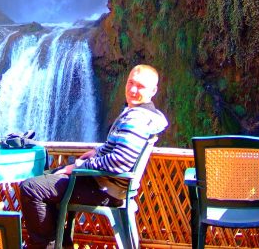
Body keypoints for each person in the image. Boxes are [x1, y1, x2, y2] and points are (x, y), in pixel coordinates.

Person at [20, 64, 168, 249]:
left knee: (31, 188)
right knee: (49, 179)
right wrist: (97, 151)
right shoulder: (145, 115)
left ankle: (45, 247)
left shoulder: (136, 119)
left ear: (153, 91)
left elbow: (120, 160)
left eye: (140, 86)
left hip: (105, 189)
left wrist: (79, 165)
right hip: (108, 185)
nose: (132, 89)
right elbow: (119, 146)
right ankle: (60, 243)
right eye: (130, 82)